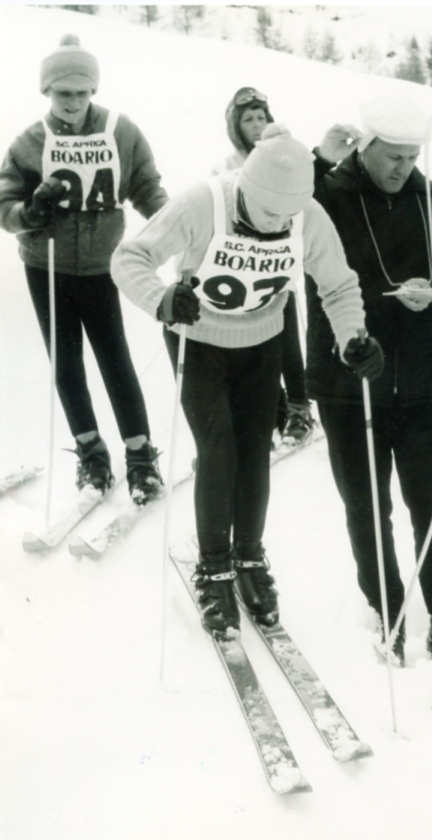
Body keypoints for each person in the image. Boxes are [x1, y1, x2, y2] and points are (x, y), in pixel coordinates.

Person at [112, 127, 380, 637]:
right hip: (199, 340)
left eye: (287, 215)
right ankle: (214, 567)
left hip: (261, 341)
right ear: (246, 189)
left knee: (255, 451)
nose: (277, 223)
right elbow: (129, 257)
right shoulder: (203, 202)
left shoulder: (307, 215)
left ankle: (249, 557)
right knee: (218, 449)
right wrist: (161, 299)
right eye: (268, 212)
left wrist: (354, 339)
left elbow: (339, 284)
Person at [306, 89, 432, 661]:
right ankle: (388, 608)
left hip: (422, 382)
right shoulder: (325, 195)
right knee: (365, 505)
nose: (403, 169)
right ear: (366, 145)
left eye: (412, 158)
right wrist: (317, 160)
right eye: (393, 158)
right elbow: (282, 213)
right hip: (347, 382)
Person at [0, 34, 168, 501]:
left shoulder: (120, 131)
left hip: (100, 265)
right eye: (62, 93)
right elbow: (4, 205)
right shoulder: (30, 141)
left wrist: (173, 225)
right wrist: (30, 213)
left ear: (93, 89)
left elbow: (146, 186)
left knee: (115, 358)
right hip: (46, 265)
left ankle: (140, 455)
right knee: (67, 362)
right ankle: (92, 453)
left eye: (81, 92)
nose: (72, 102)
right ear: (47, 91)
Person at [219, 87, 313, 446]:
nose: (257, 125)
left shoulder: (283, 157)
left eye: (261, 117)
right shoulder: (227, 165)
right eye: (248, 119)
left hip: (278, 256)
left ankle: (300, 406)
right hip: (244, 263)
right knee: (257, 339)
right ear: (236, 126)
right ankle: (275, 405)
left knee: (286, 333)